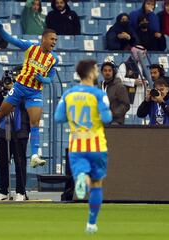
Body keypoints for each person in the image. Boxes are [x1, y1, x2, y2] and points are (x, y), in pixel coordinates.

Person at [0, 21, 59, 169]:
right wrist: (0, 29)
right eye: (52, 39)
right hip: (19, 87)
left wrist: (43, 79)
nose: (54, 42)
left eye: (56, 40)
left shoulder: (53, 59)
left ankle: (35, 155)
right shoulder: (30, 48)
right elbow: (12, 40)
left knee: (35, 123)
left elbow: (51, 78)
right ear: (43, 38)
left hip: (35, 92)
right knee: (2, 112)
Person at [54, 59, 112, 234]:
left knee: (82, 174)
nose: (98, 72)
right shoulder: (98, 94)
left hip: (76, 146)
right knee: (97, 183)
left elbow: (58, 118)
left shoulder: (68, 94)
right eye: (96, 69)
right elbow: (107, 119)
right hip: (96, 145)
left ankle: (81, 179)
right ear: (90, 72)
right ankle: (91, 224)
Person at [0, 66, 30, 202]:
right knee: (2, 161)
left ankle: (21, 191)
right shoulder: (6, 89)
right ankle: (3, 191)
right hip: (5, 127)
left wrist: (15, 90)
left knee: (20, 162)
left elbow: (26, 104)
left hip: (20, 129)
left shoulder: (28, 87)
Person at [118, 45, 149, 115]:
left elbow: (147, 79)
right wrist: (133, 81)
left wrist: (145, 81)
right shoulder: (124, 65)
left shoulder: (142, 66)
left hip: (141, 94)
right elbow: (119, 79)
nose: (144, 56)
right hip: (130, 96)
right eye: (142, 54)